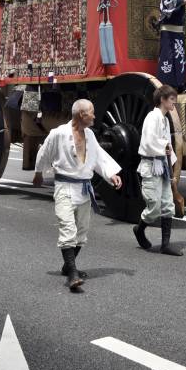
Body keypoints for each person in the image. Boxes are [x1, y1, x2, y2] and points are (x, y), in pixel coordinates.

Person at [33, 99, 122, 292]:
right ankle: (72, 273)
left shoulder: (89, 134)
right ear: (81, 115)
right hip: (64, 186)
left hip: (83, 189)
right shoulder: (58, 134)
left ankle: (67, 266)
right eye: (91, 112)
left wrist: (111, 174)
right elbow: (44, 153)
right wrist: (39, 172)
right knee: (68, 228)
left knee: (81, 231)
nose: (94, 116)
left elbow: (98, 157)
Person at [133, 84, 182, 256]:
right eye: (171, 99)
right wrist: (164, 147)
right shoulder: (152, 117)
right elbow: (148, 142)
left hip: (162, 164)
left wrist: (172, 167)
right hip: (151, 164)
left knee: (168, 205)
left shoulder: (165, 120)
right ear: (162, 99)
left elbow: (167, 145)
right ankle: (139, 229)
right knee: (153, 206)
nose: (173, 103)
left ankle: (165, 245)